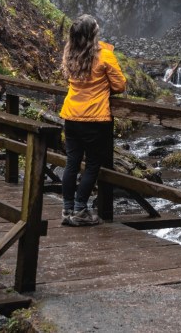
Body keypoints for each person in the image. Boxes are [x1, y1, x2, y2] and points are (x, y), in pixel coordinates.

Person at [59, 14, 126, 226]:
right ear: (93, 34)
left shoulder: (70, 54)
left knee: (72, 163)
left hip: (71, 116)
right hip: (95, 118)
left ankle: (67, 209)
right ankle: (80, 210)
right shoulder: (104, 56)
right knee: (93, 165)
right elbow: (119, 85)